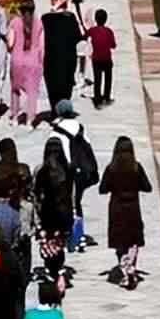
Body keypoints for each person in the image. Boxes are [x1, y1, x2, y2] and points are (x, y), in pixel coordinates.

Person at [99, 136, 152, 289]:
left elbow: (103, 189)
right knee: (132, 240)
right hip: (133, 209)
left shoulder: (111, 168)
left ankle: (124, 268)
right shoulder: (136, 167)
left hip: (117, 209)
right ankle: (131, 268)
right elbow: (147, 187)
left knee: (120, 241)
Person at [52, 100, 99, 249]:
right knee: (77, 202)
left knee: (68, 203)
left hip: (67, 172)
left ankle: (73, 235)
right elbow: (88, 146)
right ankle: (78, 232)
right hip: (82, 172)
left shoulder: (56, 130)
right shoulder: (80, 127)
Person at [34, 137, 73, 271]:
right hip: (64, 212)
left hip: (48, 212)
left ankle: (51, 266)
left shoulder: (42, 170)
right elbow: (71, 191)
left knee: (49, 240)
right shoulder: (68, 169)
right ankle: (58, 265)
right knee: (60, 241)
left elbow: (37, 192)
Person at [41, 0, 82, 117]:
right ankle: (64, 111)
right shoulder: (70, 18)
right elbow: (78, 36)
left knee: (52, 85)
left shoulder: (45, 18)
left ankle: (55, 111)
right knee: (66, 85)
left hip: (50, 58)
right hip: (68, 58)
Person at [7, 0, 44, 125]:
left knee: (15, 90)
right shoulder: (38, 23)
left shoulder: (14, 22)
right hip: (33, 61)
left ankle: (15, 117)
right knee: (32, 92)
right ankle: (30, 118)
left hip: (17, 60)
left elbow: (10, 43)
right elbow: (42, 45)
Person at [0, 135, 32, 210]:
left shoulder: (23, 168)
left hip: (20, 206)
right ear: (1, 154)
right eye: (8, 151)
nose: (12, 154)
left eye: (13, 150)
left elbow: (29, 190)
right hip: (0, 206)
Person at [88, 10, 117, 108]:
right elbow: (113, 45)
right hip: (107, 58)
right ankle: (107, 97)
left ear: (95, 19)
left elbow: (84, 36)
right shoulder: (109, 31)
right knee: (108, 79)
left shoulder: (92, 30)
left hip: (96, 59)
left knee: (97, 79)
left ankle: (97, 99)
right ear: (106, 19)